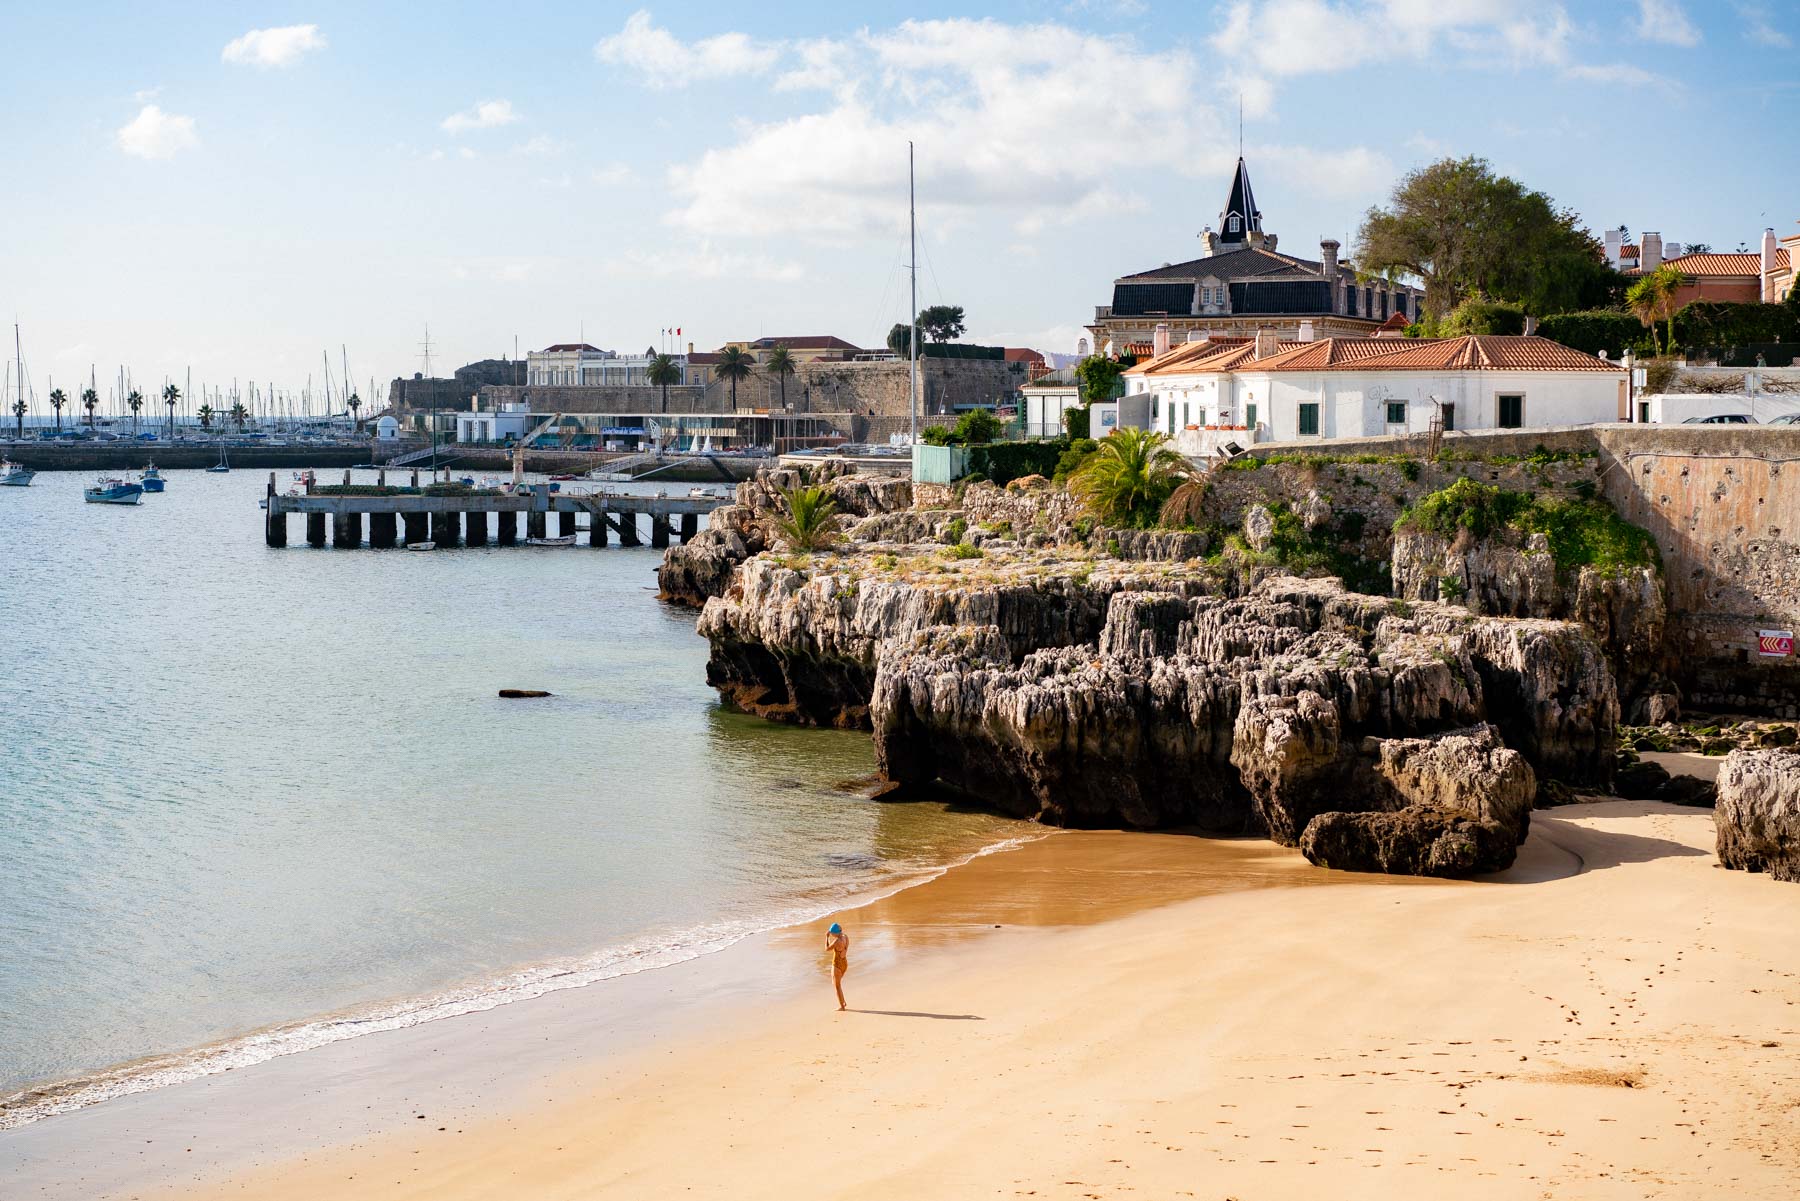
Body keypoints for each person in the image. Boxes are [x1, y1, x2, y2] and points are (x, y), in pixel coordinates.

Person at [825, 922, 850, 1011]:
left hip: (837, 964)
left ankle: (842, 1006)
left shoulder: (837, 941)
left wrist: (827, 937)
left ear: (835, 933)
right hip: (844, 963)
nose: (831, 934)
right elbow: (846, 948)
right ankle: (843, 1001)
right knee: (837, 984)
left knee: (837, 986)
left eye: (831, 933)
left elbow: (827, 948)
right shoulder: (845, 937)